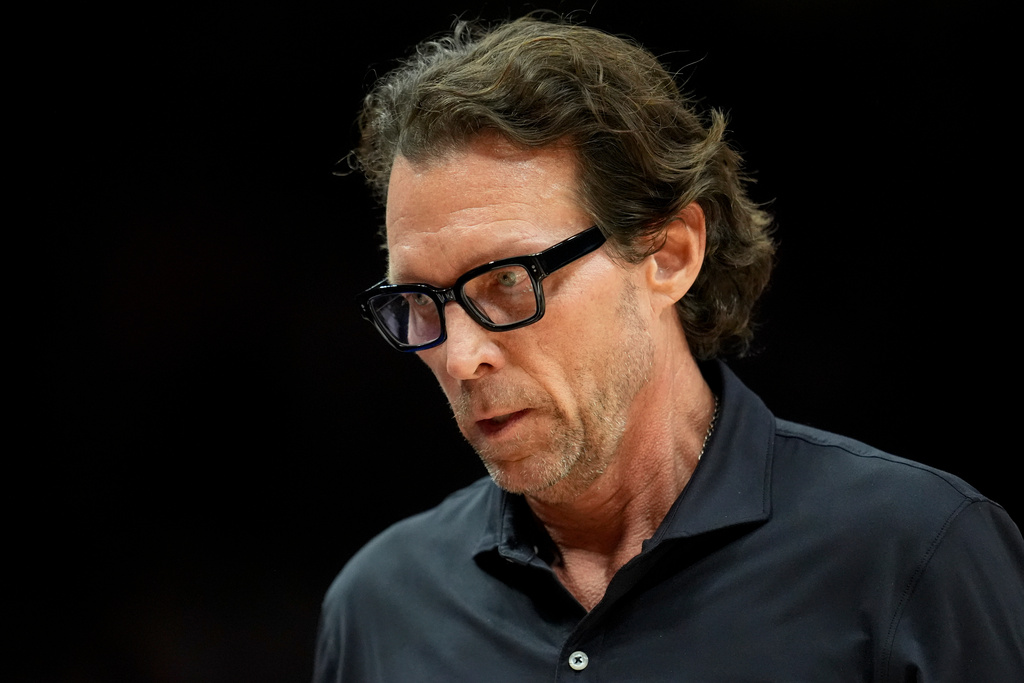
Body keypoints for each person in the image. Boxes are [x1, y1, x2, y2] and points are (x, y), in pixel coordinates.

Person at [314, 15, 1024, 681]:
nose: (461, 358)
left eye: (507, 281)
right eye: (417, 302)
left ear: (668, 254)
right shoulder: (379, 606)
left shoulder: (915, 552)